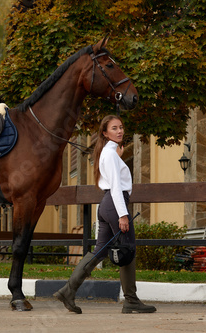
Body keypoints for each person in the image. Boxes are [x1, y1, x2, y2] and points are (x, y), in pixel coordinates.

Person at [54, 115, 156, 314]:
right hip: (114, 206)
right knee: (128, 250)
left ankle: (68, 291)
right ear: (104, 132)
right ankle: (131, 301)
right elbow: (117, 187)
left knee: (100, 251)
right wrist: (123, 215)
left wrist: (119, 157)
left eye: (121, 127)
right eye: (114, 128)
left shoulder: (108, 153)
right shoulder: (109, 155)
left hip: (107, 205)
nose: (120, 131)